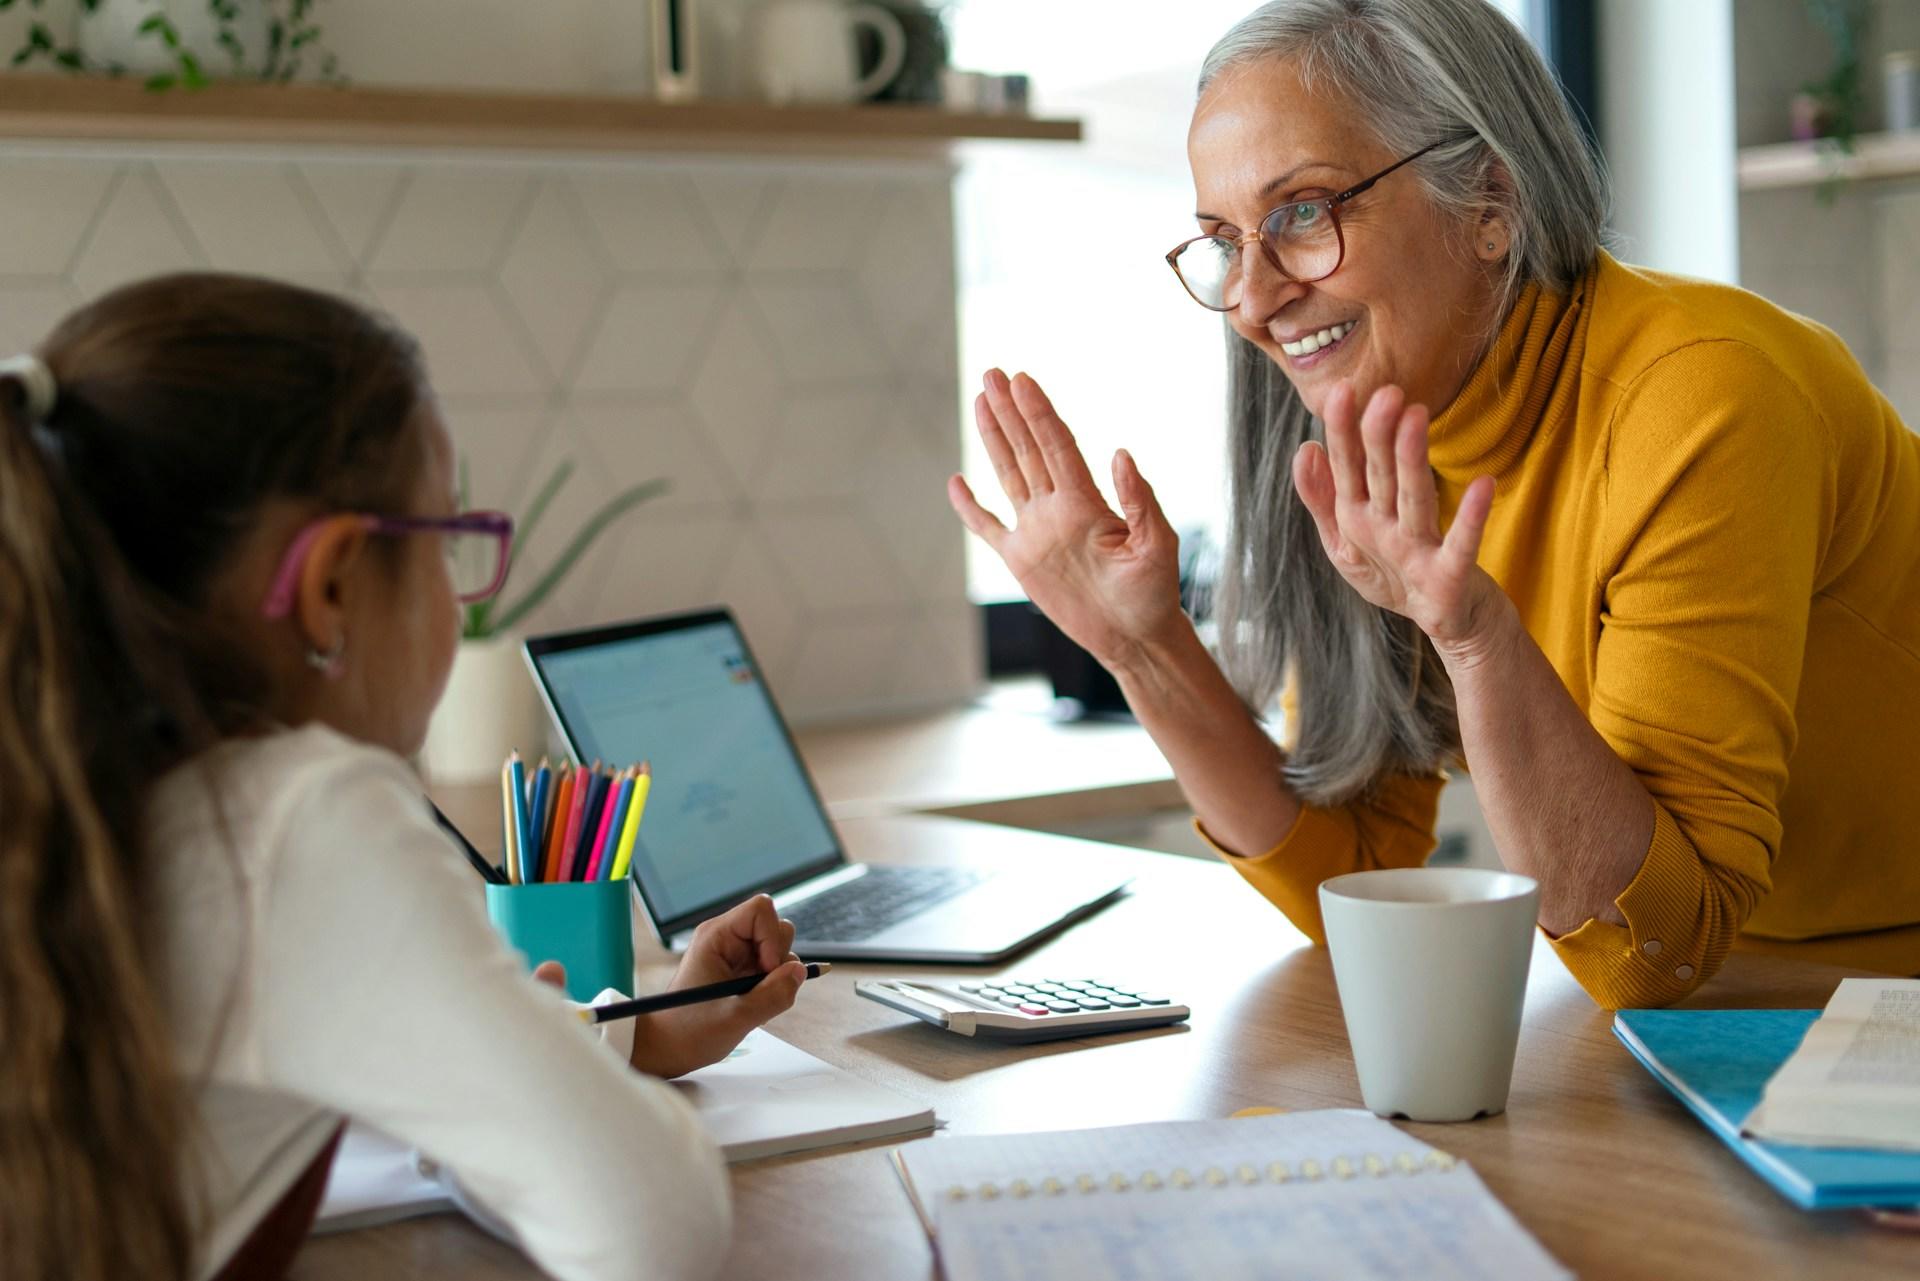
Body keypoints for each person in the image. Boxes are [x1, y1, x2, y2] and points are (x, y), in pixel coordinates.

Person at [949, 0, 1920, 1011]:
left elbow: (1654, 951)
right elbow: (1357, 881)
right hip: (1739, 997)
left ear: (1490, 198)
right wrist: (1143, 648)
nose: (1250, 297)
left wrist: (1475, 639)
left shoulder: (1703, 397)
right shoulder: (1373, 430)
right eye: (1223, 241)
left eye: (1303, 214)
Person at [0, 273, 807, 1281]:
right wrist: (498, 1103)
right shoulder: (293, 820)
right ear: (333, 583)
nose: (458, 584)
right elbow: (656, 1228)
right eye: (449, 539)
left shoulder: (66, 789)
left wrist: (596, 1043)